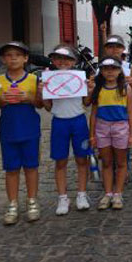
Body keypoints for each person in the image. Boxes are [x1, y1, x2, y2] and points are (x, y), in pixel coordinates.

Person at [0, 41, 43, 225]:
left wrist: (29, 97)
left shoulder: (33, 79)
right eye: (8, 55)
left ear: (25, 58)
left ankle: (32, 201)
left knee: (31, 167)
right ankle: (12, 204)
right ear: (3, 59)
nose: (13, 58)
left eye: (17, 55)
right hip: (8, 130)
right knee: (11, 169)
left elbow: (40, 104)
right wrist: (2, 101)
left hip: (30, 129)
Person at [42, 45, 93, 215]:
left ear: (74, 61)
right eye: (58, 58)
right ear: (53, 61)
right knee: (60, 161)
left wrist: (89, 90)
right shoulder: (50, 79)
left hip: (78, 120)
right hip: (59, 122)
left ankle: (82, 194)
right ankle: (62, 197)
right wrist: (42, 91)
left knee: (82, 159)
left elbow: (86, 103)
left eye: (67, 59)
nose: (63, 62)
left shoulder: (79, 77)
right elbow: (48, 107)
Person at [89, 57, 132, 210]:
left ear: (119, 71)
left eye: (114, 68)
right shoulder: (98, 89)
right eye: (106, 69)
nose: (110, 72)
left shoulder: (125, 89)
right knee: (107, 162)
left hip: (120, 127)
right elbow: (93, 113)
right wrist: (92, 135)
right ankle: (108, 192)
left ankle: (118, 193)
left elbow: (131, 113)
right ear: (101, 71)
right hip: (102, 128)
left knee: (121, 163)